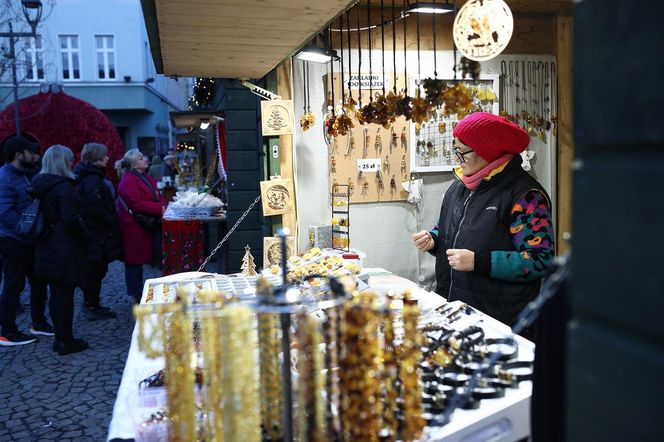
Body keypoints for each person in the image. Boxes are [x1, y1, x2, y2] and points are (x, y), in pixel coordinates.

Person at [412, 112, 555, 327]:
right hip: (455, 309)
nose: (457, 159)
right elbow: (450, 228)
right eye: (455, 150)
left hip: (498, 319)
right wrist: (434, 239)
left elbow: (540, 260)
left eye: (462, 153)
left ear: (488, 151)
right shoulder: (460, 185)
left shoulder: (526, 196)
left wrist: (479, 262)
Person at [31, 145, 91, 355]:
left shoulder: (40, 184)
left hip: (45, 242)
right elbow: (70, 219)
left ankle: (60, 338)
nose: (72, 162)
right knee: (64, 293)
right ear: (63, 162)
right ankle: (66, 340)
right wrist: (86, 237)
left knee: (55, 293)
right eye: (69, 159)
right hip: (62, 245)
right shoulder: (64, 186)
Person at [0, 136, 53, 346]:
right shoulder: (5, 177)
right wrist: (27, 230)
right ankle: (8, 332)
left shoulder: (24, 174)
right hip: (13, 240)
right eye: (31, 152)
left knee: (38, 281)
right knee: (13, 285)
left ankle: (38, 323)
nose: (36, 156)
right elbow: (4, 212)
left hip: (28, 238)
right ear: (18, 154)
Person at [75, 143, 123, 320]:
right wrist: (111, 222)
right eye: (104, 156)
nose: (108, 158)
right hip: (96, 234)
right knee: (94, 271)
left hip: (96, 233)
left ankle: (93, 304)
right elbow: (96, 207)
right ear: (96, 158)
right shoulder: (92, 180)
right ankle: (91, 305)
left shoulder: (89, 177)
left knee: (96, 271)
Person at [116, 149, 165, 303]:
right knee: (134, 263)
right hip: (134, 227)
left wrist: (162, 206)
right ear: (134, 163)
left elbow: (159, 195)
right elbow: (136, 204)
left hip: (144, 225)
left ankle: (139, 293)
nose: (145, 159)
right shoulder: (129, 180)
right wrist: (160, 208)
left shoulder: (143, 177)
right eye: (141, 157)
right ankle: (136, 295)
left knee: (139, 261)